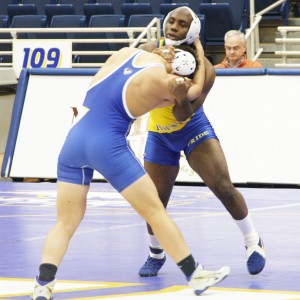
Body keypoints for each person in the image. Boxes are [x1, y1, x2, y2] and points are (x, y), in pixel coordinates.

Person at [31, 46, 230, 299]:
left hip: (74, 140)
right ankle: (196, 275)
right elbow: (195, 91)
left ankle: (43, 286)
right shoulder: (165, 81)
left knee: (65, 222)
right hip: (106, 144)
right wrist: (200, 55)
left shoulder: (125, 52)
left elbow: (148, 54)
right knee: (155, 211)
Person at [137, 6, 266, 278]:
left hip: (192, 127)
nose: (173, 26)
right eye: (170, 21)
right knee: (155, 200)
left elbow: (183, 113)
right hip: (160, 134)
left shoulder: (206, 68)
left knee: (223, 186)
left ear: (193, 30)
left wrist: (180, 94)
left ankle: (253, 241)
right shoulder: (150, 49)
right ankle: (155, 252)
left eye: (181, 24)